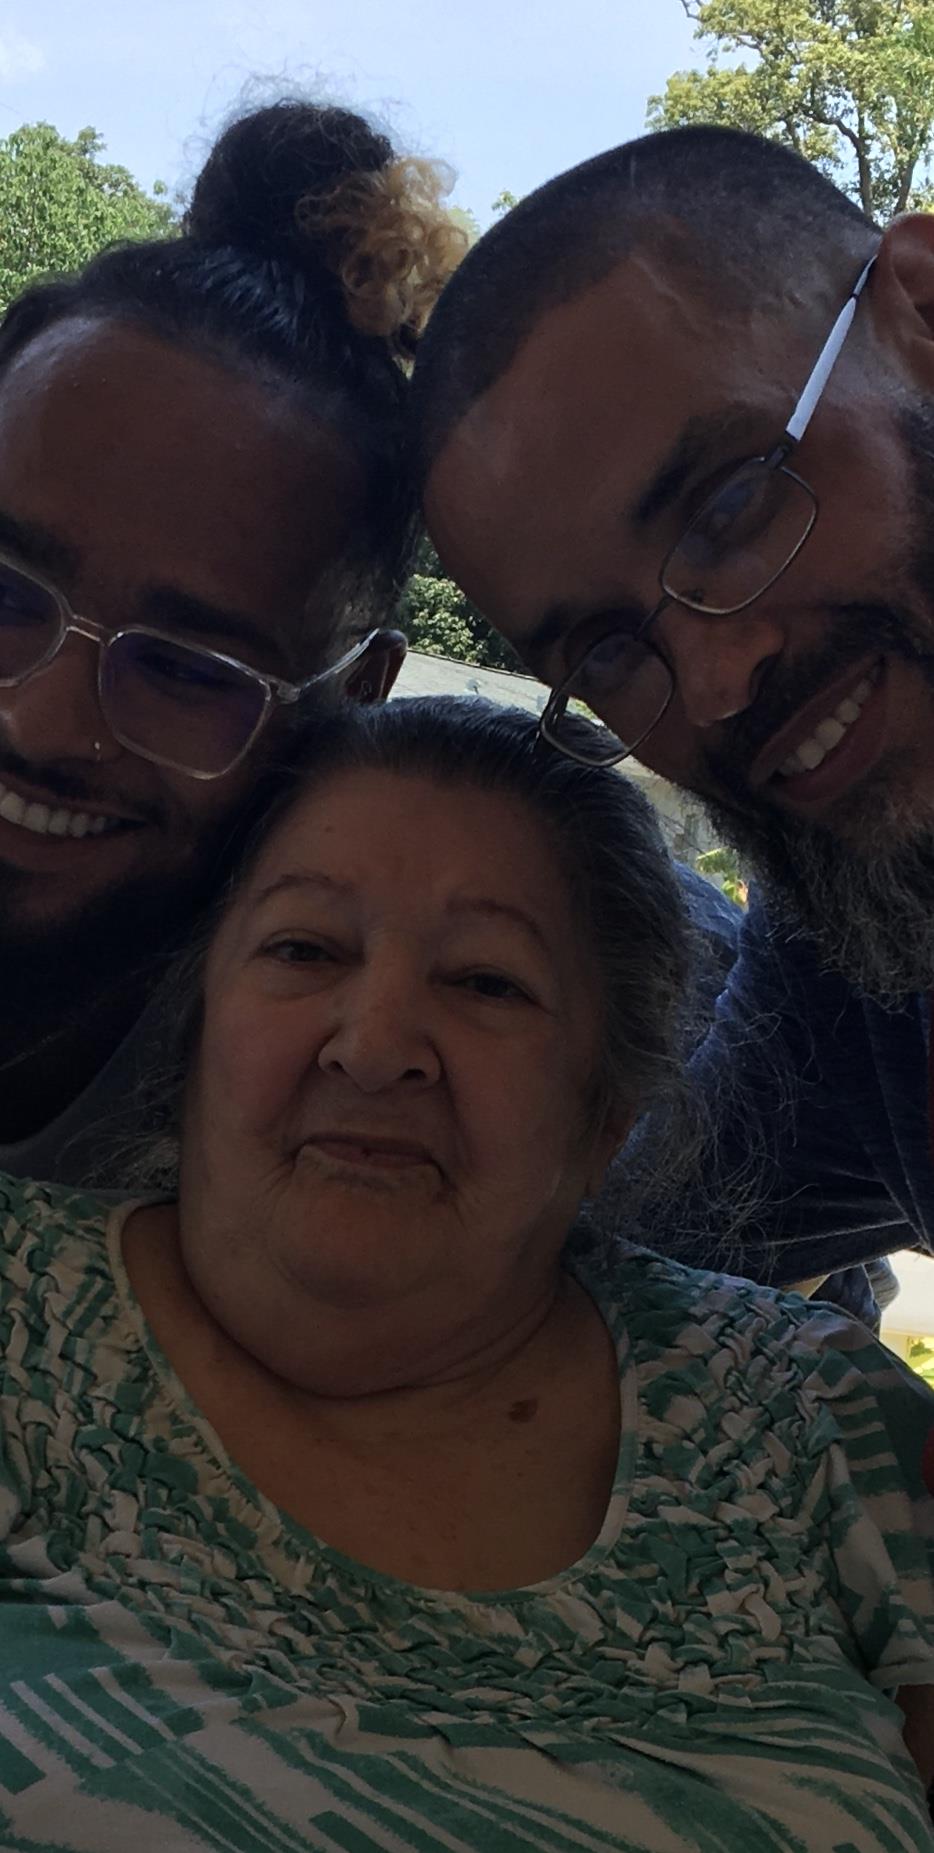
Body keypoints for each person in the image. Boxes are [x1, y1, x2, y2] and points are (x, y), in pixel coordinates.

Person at [1, 694, 933, 1851]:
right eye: (303, 948)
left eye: (488, 982)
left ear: (605, 1110)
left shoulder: (821, 1424)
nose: (375, 1044)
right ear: (191, 1026)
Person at [411, 125, 934, 1323]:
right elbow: (623, 1286)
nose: (711, 681)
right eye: (605, 651)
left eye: (730, 506)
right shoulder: (858, 955)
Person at [0, 94, 462, 1184]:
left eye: (184, 667)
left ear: (357, 694)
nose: (38, 718)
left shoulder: (381, 1127)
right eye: (7, 593)